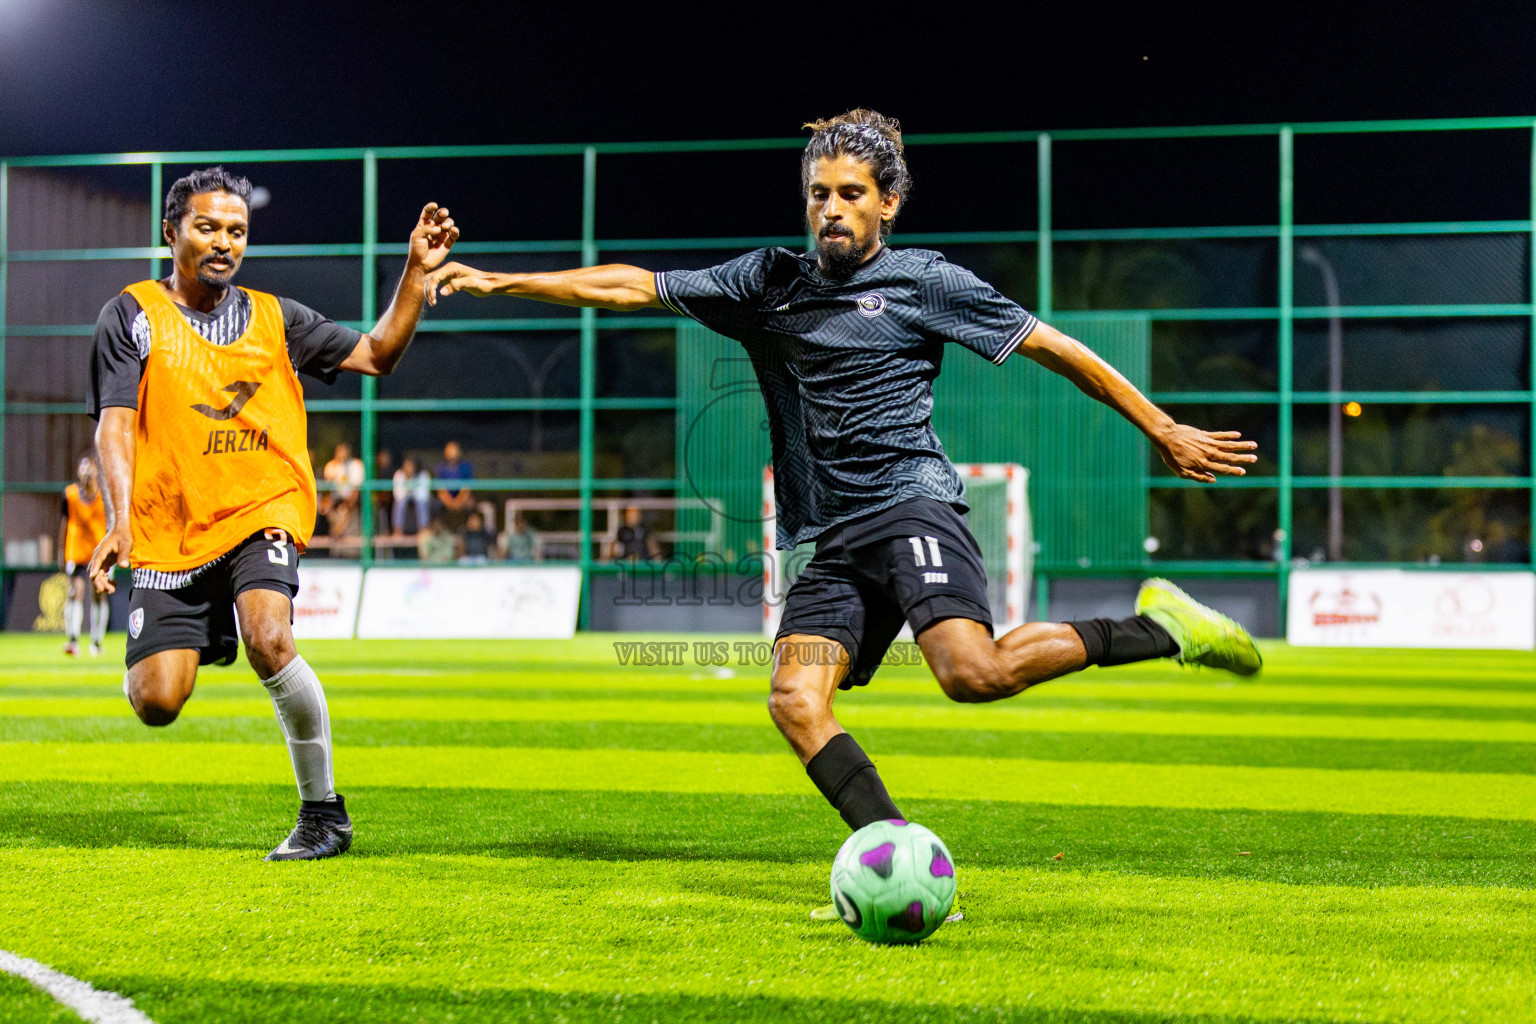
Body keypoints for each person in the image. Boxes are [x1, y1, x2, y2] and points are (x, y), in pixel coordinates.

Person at [428, 108, 1261, 913]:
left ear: (887, 203)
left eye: (851, 194)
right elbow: (631, 285)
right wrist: (502, 278)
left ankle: (1166, 628)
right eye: (819, 193)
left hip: (913, 508)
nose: (832, 208)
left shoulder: (925, 280)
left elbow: (1055, 347)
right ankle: (899, 858)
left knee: (974, 675)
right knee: (795, 699)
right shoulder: (767, 281)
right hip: (832, 536)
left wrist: (1162, 427)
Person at [87, 166, 458, 860]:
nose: (224, 242)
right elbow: (114, 423)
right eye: (207, 227)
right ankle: (195, 629)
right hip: (172, 525)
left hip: (264, 505)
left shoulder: (276, 318)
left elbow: (377, 354)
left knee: (269, 637)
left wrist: (413, 272)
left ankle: (324, 815)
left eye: (237, 230)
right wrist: (118, 520)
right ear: (171, 233)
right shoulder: (131, 315)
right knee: (157, 701)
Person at [58, 455, 109, 657]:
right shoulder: (69, 495)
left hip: (99, 551)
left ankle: (96, 641)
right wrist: (61, 553)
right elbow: (64, 524)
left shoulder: (105, 495)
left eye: (90, 469)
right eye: (83, 469)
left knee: (99, 594)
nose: (87, 473)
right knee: (75, 591)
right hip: (77, 550)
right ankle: (73, 639)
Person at [322, 442, 365, 542]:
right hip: (336, 499)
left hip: (352, 499)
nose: (341, 454)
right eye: (339, 452)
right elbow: (327, 489)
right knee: (325, 507)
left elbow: (355, 492)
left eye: (344, 452)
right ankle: (335, 534)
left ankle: (337, 533)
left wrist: (348, 503)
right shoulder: (332, 466)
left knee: (346, 508)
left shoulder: (356, 465)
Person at [434, 440, 475, 529]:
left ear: (459, 452)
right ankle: (439, 529)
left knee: (471, 504)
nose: (453, 454)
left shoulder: (466, 466)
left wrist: (459, 501)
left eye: (455, 451)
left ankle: (470, 530)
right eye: (450, 451)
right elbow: (440, 489)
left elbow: (467, 487)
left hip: (462, 497)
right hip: (446, 498)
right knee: (436, 504)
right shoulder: (441, 467)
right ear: (446, 453)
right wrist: (450, 502)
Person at [392, 455, 431, 535]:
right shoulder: (399, 474)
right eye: (407, 466)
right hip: (404, 497)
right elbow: (397, 495)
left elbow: (424, 495)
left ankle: (423, 528)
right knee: (400, 503)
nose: (409, 468)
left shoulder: (423, 474)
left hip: (418, 498)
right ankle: (398, 530)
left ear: (416, 466)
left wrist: (413, 489)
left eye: (411, 466)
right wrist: (407, 490)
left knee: (421, 502)